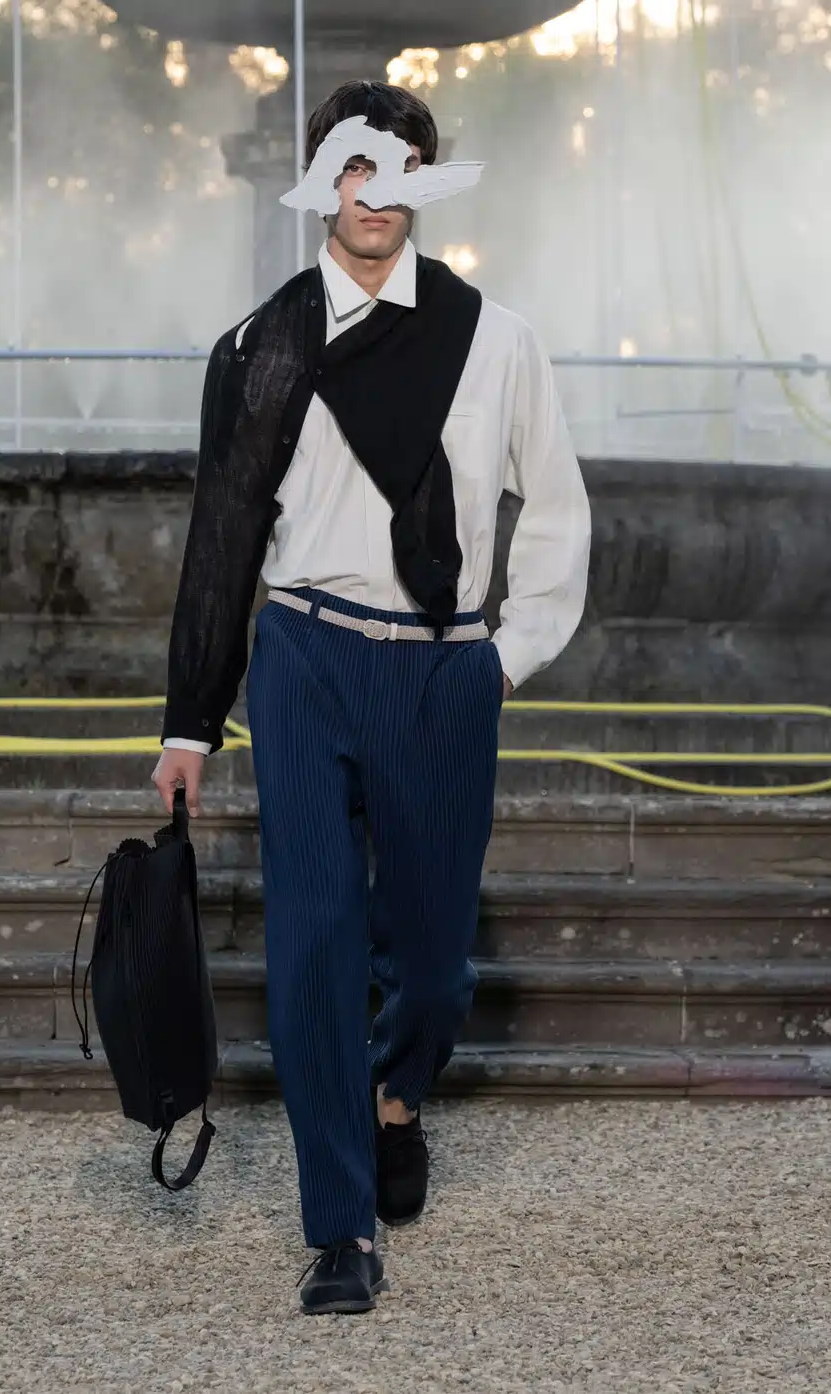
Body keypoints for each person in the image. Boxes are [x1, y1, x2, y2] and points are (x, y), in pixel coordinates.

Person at [152, 79, 591, 1316]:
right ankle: (338, 1227)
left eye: (399, 167)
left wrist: (503, 655)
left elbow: (555, 508)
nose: (374, 192)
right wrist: (189, 723)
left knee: (437, 968)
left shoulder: (493, 337)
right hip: (303, 657)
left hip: (440, 664)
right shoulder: (261, 346)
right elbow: (223, 537)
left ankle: (396, 1094)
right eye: (354, 167)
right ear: (320, 185)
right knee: (310, 946)